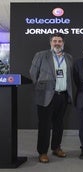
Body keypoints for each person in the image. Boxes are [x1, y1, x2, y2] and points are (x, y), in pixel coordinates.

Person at [29, 32, 73, 163]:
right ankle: (42, 152)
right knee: (44, 125)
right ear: (50, 42)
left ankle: (56, 147)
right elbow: (33, 73)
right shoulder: (41, 55)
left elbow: (70, 77)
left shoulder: (69, 57)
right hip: (46, 96)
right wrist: (41, 88)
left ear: (63, 43)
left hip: (63, 96)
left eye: (60, 41)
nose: (57, 43)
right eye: (55, 41)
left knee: (59, 124)